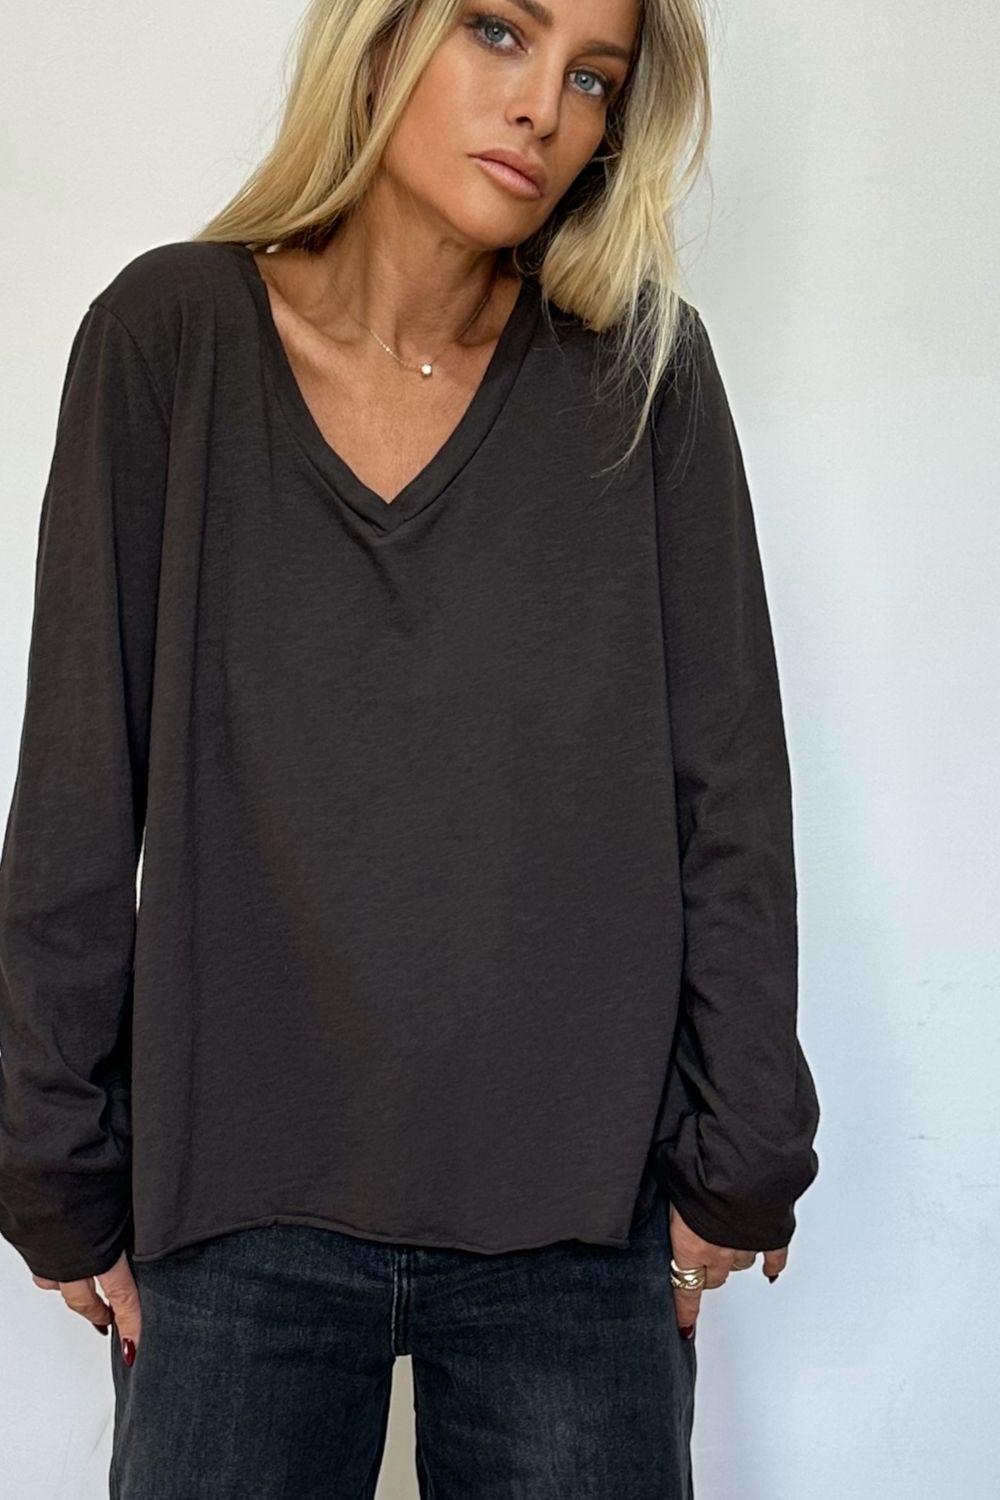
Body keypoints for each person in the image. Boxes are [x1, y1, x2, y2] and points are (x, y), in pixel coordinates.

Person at [0, 0, 821, 1495]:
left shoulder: (640, 371)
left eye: (593, 77)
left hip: (581, 1226)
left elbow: (730, 793)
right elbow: (75, 790)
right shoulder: (166, 339)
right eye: (499, 33)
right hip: (232, 1214)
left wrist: (744, 1150)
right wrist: (51, 1162)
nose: (544, 108)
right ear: (383, 40)